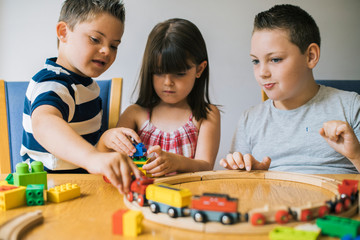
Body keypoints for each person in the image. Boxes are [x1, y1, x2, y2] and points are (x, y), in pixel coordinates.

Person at [220, 4, 360, 174]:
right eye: (256, 61)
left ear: (310, 56)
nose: (262, 73)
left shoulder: (351, 106)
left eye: (275, 59)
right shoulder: (250, 120)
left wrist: (356, 155)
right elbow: (235, 185)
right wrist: (249, 174)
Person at [21, 0, 141, 193]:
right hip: (47, 190)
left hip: (81, 187)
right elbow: (44, 123)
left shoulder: (87, 86)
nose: (106, 51)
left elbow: (86, 160)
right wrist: (93, 158)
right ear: (63, 33)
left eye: (114, 45)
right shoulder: (52, 82)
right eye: (95, 39)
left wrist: (104, 142)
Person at [99, 18, 221, 177]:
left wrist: (177, 162)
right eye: (158, 72)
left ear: (200, 69)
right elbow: (109, 157)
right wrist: (105, 139)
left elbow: (206, 166)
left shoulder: (206, 114)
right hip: (141, 196)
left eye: (179, 74)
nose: (168, 82)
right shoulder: (135, 114)